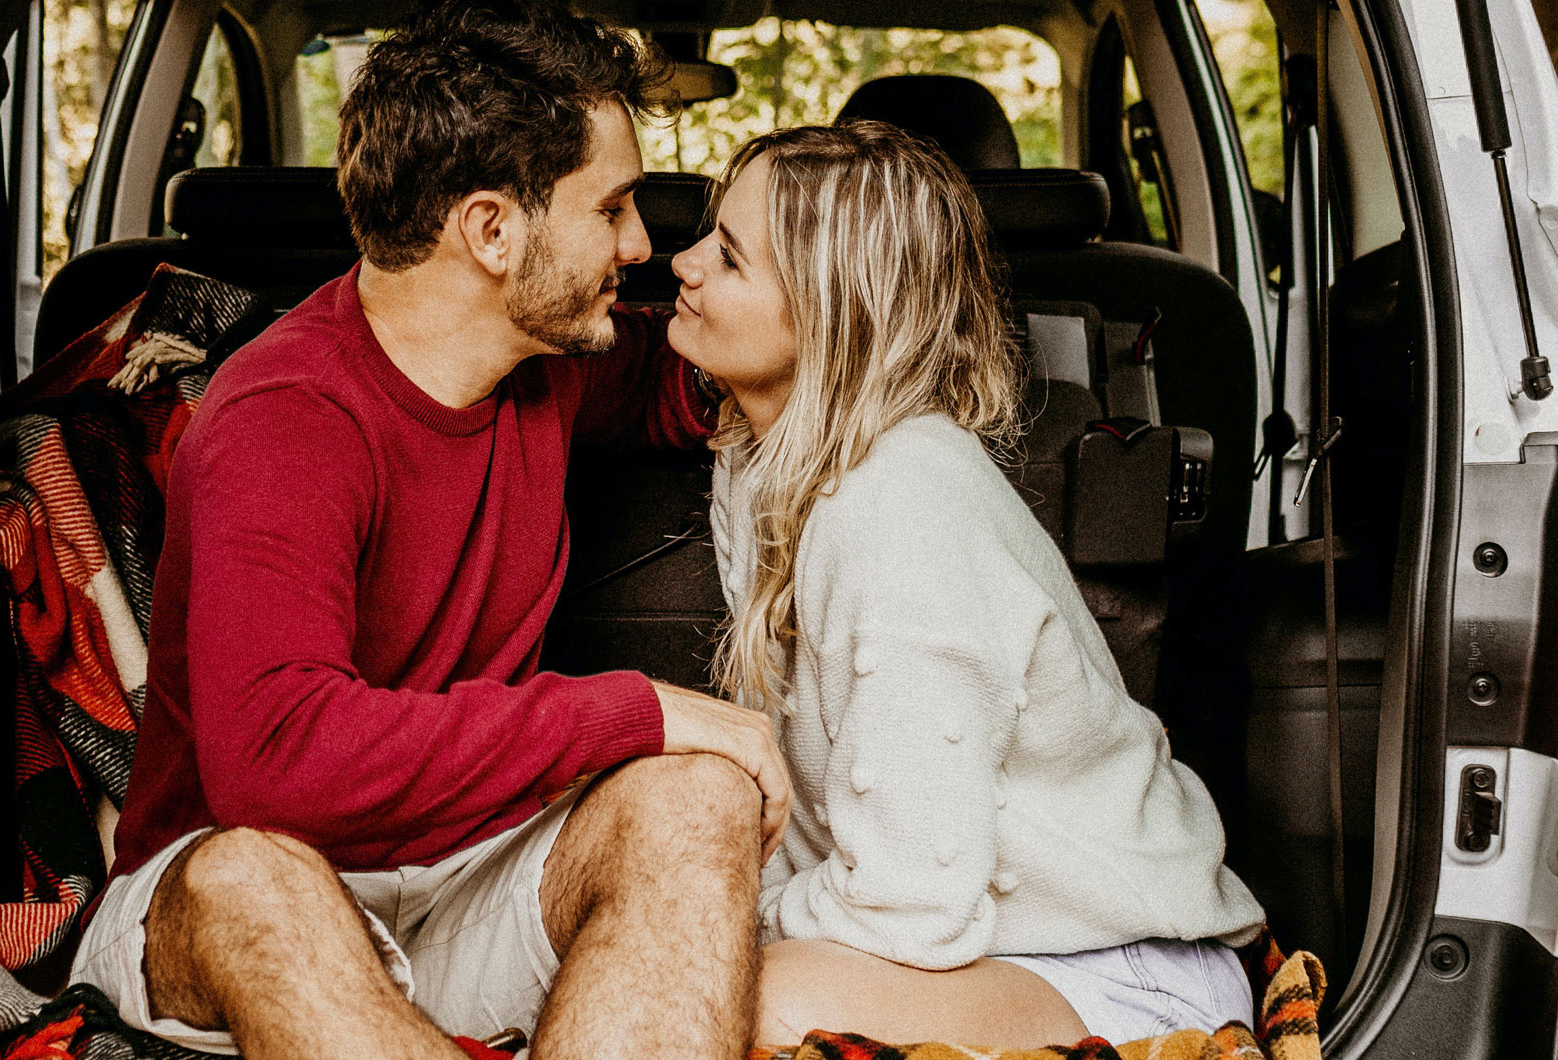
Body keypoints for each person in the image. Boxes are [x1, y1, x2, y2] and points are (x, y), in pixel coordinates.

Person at [64, 4, 790, 1059]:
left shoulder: (551, 363)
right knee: (254, 879)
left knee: (698, 799)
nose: (641, 245)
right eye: (615, 206)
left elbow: (700, 377)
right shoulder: (286, 418)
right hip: (246, 898)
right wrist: (628, 711)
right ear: (494, 231)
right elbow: (278, 762)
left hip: (463, 882)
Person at [664, 121, 1267, 1049]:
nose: (684, 263)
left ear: (832, 312)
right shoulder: (762, 466)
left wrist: (712, 935)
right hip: (978, 944)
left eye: (730, 258)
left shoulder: (899, 510)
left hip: (1120, 963)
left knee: (727, 1005)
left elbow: (910, 908)